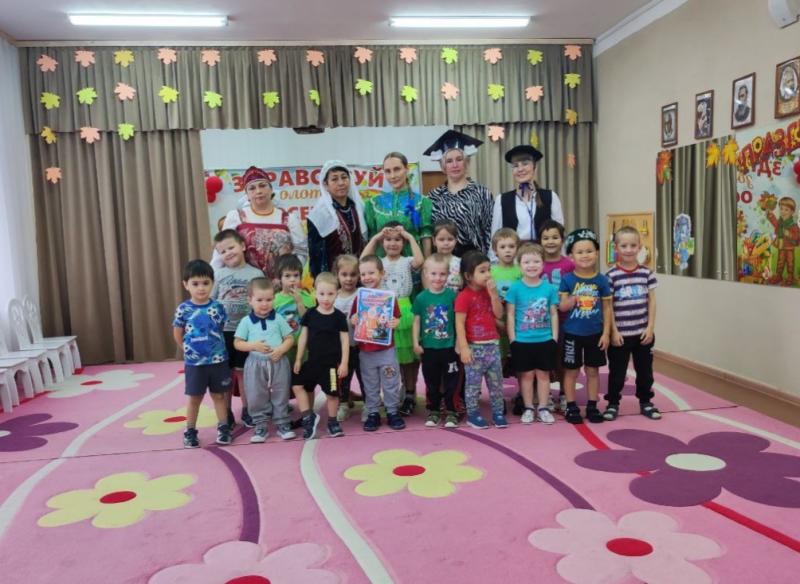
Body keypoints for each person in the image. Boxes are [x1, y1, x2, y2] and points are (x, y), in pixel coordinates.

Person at [361, 222, 425, 416]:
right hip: (382, 308)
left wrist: (410, 236)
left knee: (408, 357)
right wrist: (375, 237)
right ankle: (391, 396)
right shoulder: (379, 262)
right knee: (389, 357)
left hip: (404, 308)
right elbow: (363, 259)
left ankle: (410, 393)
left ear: (403, 242)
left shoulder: (407, 260)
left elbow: (420, 260)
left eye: (397, 240)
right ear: (383, 242)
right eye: (388, 239)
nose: (393, 243)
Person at [172, 259, 233, 448]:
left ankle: (223, 427)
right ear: (186, 284)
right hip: (195, 364)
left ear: (212, 283)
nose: (201, 288)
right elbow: (178, 333)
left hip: (218, 361)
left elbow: (220, 329)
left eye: (206, 283)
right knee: (194, 398)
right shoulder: (183, 309)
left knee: (219, 396)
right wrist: (188, 350)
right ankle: (190, 431)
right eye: (195, 283)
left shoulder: (218, 307)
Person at [604, 226, 661, 421]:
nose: (628, 249)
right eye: (624, 246)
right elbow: (608, 306)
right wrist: (613, 331)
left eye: (633, 245)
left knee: (645, 372)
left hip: (642, 333)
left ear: (639, 247)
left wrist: (650, 328)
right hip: (620, 335)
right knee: (617, 372)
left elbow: (652, 301)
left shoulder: (647, 273)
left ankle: (646, 401)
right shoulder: (611, 276)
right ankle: (613, 403)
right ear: (616, 248)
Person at [211, 166, 307, 280]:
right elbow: (220, 252)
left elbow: (301, 252)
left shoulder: (289, 219)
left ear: (271, 189)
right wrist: (211, 278)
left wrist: (288, 277)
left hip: (281, 285)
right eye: (252, 188)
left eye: (262, 185)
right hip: (245, 283)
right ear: (247, 194)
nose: (258, 191)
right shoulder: (236, 217)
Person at [211, 229, 265, 429]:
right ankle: (225, 412)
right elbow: (212, 301)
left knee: (244, 373)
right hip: (223, 332)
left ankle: (247, 409)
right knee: (225, 374)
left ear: (242, 246)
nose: (228, 253)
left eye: (231, 247)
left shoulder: (255, 274)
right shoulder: (218, 275)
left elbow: (262, 301)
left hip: (247, 333)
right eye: (222, 251)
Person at [558, 229, 612, 425]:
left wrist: (606, 333)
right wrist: (572, 299)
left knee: (593, 371)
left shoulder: (602, 280)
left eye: (589, 251)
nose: (585, 255)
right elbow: (562, 306)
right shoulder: (567, 279)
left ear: (596, 253)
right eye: (579, 252)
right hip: (572, 334)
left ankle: (592, 406)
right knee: (571, 371)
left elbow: (607, 308)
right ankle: (571, 406)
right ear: (571, 256)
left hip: (595, 334)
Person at [233, 278, 296, 443]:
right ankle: (260, 425)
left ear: (273, 299)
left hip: (278, 362)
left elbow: (289, 338)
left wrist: (281, 349)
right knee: (255, 393)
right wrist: (253, 345)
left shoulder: (278, 319)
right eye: (259, 300)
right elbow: (237, 343)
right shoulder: (246, 321)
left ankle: (282, 422)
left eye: (268, 299)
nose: (264, 304)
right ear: (250, 300)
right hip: (255, 363)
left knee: (281, 392)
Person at [292, 272, 350, 440]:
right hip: (312, 362)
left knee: (332, 394)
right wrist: (298, 359)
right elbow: (303, 337)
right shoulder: (310, 314)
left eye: (330, 294)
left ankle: (332, 422)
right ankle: (307, 417)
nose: (325, 298)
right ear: (315, 293)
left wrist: (344, 363)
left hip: (331, 366)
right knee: (297, 384)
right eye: (322, 293)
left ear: (337, 293)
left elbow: (345, 341)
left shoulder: (339, 317)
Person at [350, 255, 405, 432]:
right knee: (370, 383)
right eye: (363, 274)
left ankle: (392, 411)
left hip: (386, 350)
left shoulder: (389, 298)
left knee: (391, 381)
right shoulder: (360, 298)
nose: (367, 277)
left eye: (371, 273)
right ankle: (373, 412)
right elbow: (353, 319)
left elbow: (396, 318)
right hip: (366, 351)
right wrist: (354, 319)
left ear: (382, 273)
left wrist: (395, 322)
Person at [506, 243, 559, 425]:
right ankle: (528, 407)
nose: (531, 265)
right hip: (522, 341)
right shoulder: (515, 288)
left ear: (543, 264)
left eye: (536, 261)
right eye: (527, 262)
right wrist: (513, 338)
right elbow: (510, 314)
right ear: (519, 265)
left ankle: (543, 407)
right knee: (526, 376)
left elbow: (553, 313)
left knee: (543, 375)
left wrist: (554, 337)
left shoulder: (549, 288)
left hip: (545, 339)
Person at [455, 251, 507, 429]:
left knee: (496, 383)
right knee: (473, 385)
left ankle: (498, 412)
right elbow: (459, 323)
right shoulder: (464, 296)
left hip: (492, 345)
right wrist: (464, 348)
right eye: (482, 271)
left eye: (489, 270)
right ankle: (473, 414)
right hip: (474, 348)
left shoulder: (490, 292)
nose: (488, 274)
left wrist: (494, 295)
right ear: (468, 276)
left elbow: (499, 314)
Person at [424, 130, 494, 256]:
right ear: (443, 166)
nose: (455, 165)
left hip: (475, 259)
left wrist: (491, 260)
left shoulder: (482, 193)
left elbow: (490, 229)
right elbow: (429, 233)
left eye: (459, 159)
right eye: (449, 161)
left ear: (466, 162)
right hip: (443, 260)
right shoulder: (433, 197)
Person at [413, 254, 460, 428]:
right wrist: (416, 343)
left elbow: (457, 321)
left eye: (442, 274)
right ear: (426, 274)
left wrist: (459, 343)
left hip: (449, 348)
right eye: (433, 274)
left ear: (448, 274)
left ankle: (451, 411)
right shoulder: (421, 298)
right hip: (429, 349)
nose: (438, 278)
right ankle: (433, 410)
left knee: (451, 381)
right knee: (431, 381)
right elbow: (416, 321)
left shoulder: (452, 296)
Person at [491, 145, 565, 250]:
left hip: (543, 256)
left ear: (535, 167)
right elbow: (495, 236)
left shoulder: (550, 197)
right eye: (515, 166)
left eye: (525, 164)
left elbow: (559, 233)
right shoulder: (502, 200)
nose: (520, 169)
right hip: (514, 257)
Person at [365, 152, 433, 257]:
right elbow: (372, 238)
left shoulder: (422, 201)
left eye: (397, 169)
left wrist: (427, 263)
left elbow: (426, 235)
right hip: (381, 262)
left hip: (413, 261)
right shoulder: (373, 203)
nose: (392, 176)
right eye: (388, 171)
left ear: (407, 169)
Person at [307, 160, 367, 278]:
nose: (341, 183)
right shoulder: (318, 215)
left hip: (359, 276)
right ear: (326, 185)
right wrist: (321, 281)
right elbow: (315, 255)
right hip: (333, 279)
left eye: (344, 177)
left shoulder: (359, 208)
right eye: (334, 179)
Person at [540, 219, 575, 413]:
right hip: (541, 322)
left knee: (563, 360)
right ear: (540, 241)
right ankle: (544, 396)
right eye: (545, 238)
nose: (550, 241)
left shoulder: (569, 264)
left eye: (555, 237)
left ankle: (563, 393)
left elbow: (574, 290)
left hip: (565, 321)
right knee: (544, 361)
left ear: (562, 240)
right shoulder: (536, 263)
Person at [333, 254, 363, 421]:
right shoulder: (333, 296)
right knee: (342, 378)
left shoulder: (362, 294)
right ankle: (343, 403)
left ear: (359, 275)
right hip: (340, 348)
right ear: (337, 275)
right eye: (344, 274)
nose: (349, 279)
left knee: (364, 377)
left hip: (360, 346)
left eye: (353, 274)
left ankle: (369, 404)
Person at [273, 254, 316, 363]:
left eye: (296, 275)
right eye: (287, 276)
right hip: (282, 347)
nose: (292, 280)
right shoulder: (275, 299)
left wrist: (299, 302)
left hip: (302, 347)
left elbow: (309, 320)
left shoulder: (306, 297)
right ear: (280, 278)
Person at [432, 221, 463, 292]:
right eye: (441, 239)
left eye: (450, 239)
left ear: (456, 240)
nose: (446, 243)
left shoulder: (460, 262)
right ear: (434, 241)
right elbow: (427, 287)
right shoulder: (429, 262)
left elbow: (461, 283)